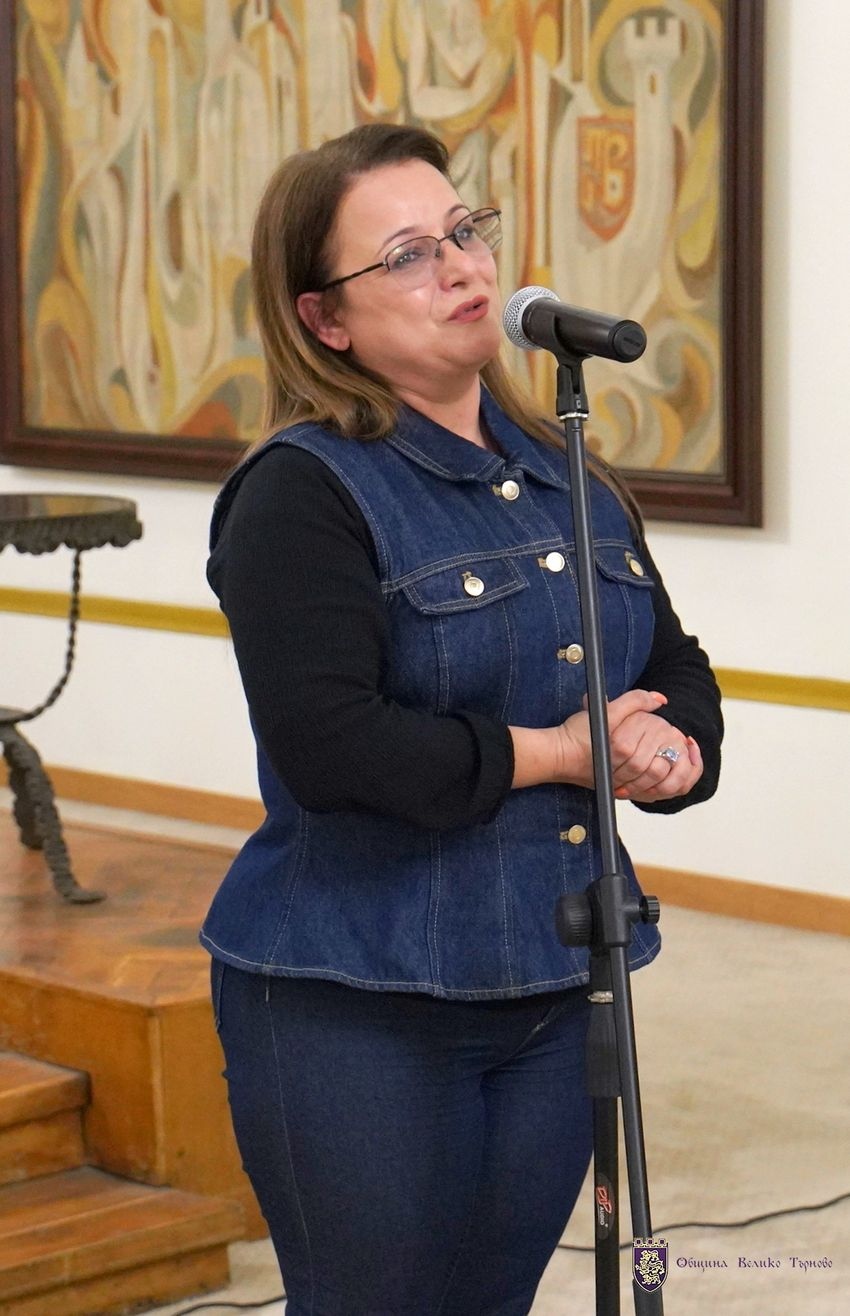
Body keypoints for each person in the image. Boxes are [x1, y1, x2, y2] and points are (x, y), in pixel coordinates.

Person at [202, 122, 723, 1316]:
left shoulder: (564, 467)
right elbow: (333, 747)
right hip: (354, 995)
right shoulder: (300, 492)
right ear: (324, 318)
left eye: (463, 231)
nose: (460, 267)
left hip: (555, 977)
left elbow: (669, 660)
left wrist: (670, 748)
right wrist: (561, 754)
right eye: (406, 254)